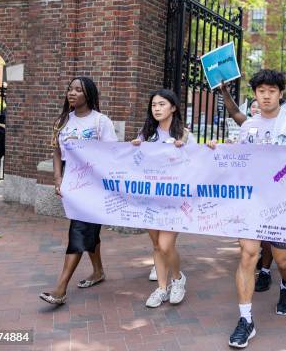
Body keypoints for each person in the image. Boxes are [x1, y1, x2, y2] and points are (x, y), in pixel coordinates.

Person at [207, 69, 286, 348]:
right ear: (256, 95)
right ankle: (246, 320)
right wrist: (217, 149)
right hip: (253, 200)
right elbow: (238, 159)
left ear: (280, 93)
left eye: (272, 91)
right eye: (261, 91)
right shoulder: (249, 127)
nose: (267, 95)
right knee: (248, 254)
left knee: (283, 260)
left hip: (284, 202)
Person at [40, 77, 117, 305]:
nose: (71, 93)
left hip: (95, 188)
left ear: (88, 95)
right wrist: (57, 178)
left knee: (79, 231)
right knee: (88, 232)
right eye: (70, 89)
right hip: (74, 187)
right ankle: (98, 271)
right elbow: (56, 151)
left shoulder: (100, 122)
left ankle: (60, 289)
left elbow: (112, 153)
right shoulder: (63, 121)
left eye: (78, 90)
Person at [131, 89, 194, 307]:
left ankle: (177, 279)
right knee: (157, 246)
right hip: (150, 199)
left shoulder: (184, 135)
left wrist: (184, 150)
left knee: (166, 245)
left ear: (173, 107)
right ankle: (161, 288)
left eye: (162, 104)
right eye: (154, 105)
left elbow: (197, 164)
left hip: (174, 200)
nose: (157, 108)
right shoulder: (146, 134)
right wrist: (134, 149)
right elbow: (134, 162)